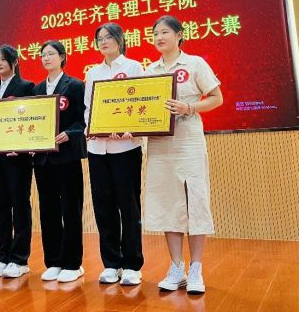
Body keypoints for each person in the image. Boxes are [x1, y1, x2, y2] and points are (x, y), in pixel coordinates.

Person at [145, 15, 223, 294]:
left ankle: (196, 268)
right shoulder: (150, 70)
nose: (159, 37)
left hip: (189, 142)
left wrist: (189, 108)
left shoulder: (195, 64)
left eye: (165, 32)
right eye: (155, 33)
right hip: (160, 145)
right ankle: (177, 267)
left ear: (179, 35)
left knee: (195, 202)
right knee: (169, 203)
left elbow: (216, 98)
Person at [84, 23, 145, 286]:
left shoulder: (134, 68)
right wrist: (91, 129)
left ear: (120, 39)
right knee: (103, 206)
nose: (103, 42)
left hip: (125, 148)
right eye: (99, 38)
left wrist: (131, 127)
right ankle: (111, 263)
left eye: (108, 37)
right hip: (98, 149)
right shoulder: (93, 73)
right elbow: (88, 108)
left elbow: (141, 103)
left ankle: (132, 264)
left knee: (128, 205)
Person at [33, 40, 87, 283]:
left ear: (63, 57)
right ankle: (53, 261)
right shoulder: (37, 89)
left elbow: (83, 120)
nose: (46, 58)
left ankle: (73, 263)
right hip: (43, 159)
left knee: (71, 210)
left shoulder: (74, 85)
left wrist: (70, 133)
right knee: (48, 210)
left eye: (51, 54)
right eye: (43, 54)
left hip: (67, 157)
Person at [0, 44, 35, 279]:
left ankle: (19, 259)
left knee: (19, 205)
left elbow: (34, 119)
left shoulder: (26, 87)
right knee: (1, 206)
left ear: (14, 62)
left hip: (18, 158)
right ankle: (1, 256)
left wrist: (21, 145)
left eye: (3, 59)